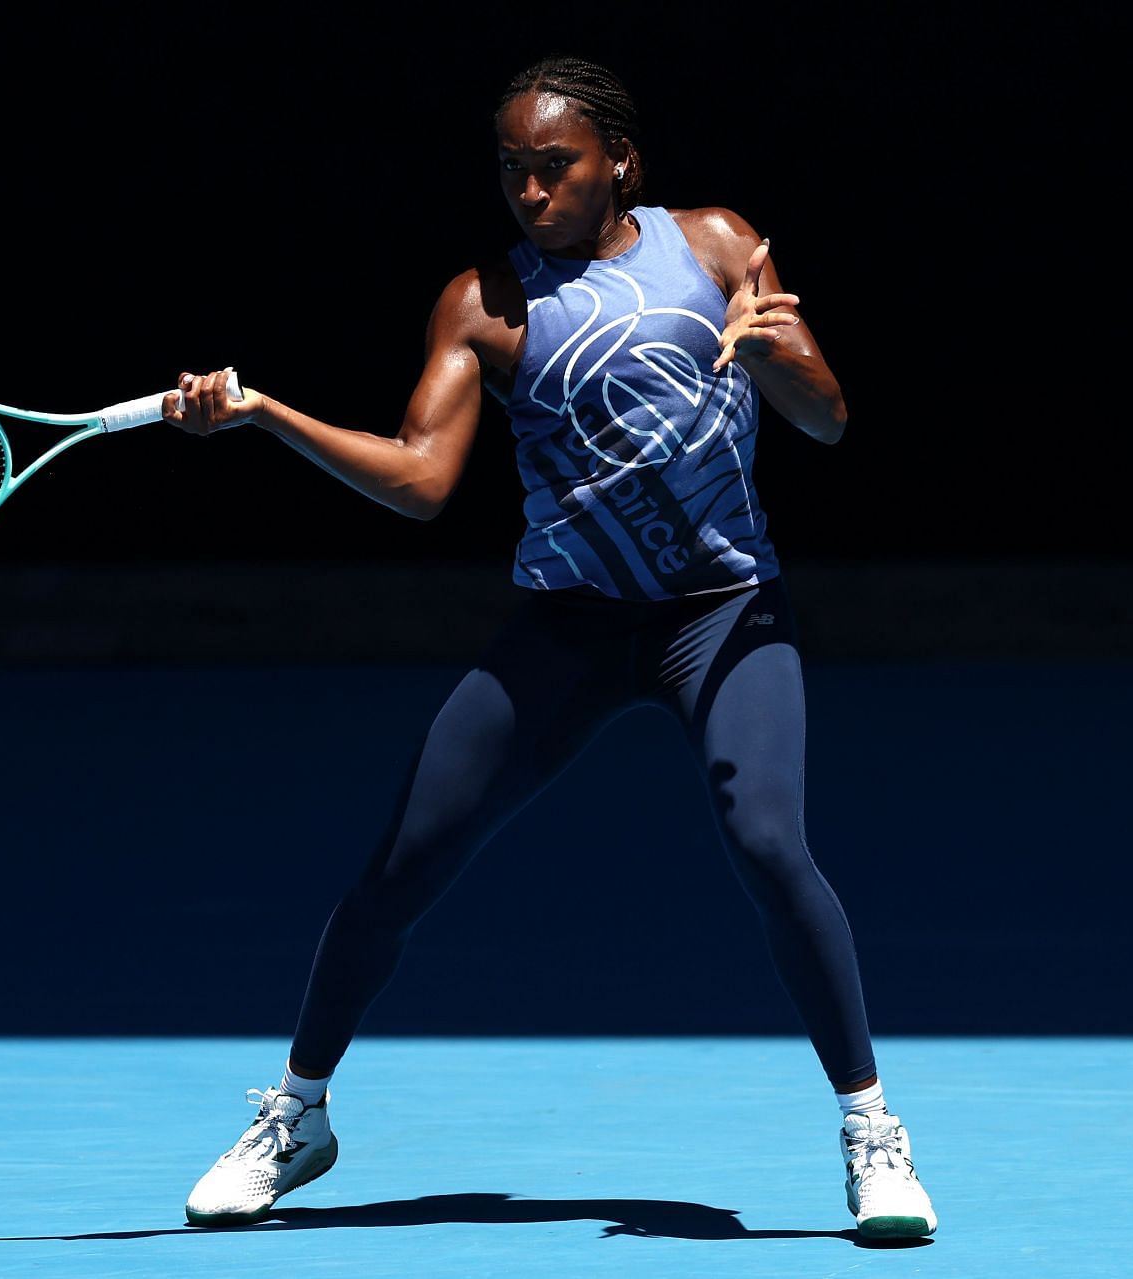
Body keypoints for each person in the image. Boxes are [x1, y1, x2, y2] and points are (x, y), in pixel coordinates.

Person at [162, 56, 938, 1240]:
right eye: (513, 171)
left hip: (721, 615)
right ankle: (300, 1114)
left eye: (554, 166)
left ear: (619, 162)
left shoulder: (721, 244)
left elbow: (826, 418)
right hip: (568, 627)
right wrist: (268, 415)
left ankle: (872, 1132)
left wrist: (776, 353)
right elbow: (423, 482)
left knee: (768, 837)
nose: (529, 192)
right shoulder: (484, 303)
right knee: (401, 864)